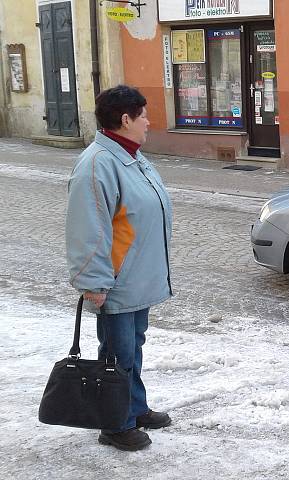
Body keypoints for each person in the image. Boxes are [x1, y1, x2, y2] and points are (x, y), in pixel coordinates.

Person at [65, 85, 173, 451]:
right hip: (114, 282)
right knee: (116, 355)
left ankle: (134, 407)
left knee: (132, 348)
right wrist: (93, 282)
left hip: (136, 278)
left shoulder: (132, 157)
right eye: (143, 115)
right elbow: (88, 230)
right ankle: (114, 424)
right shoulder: (98, 164)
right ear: (125, 119)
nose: (148, 122)